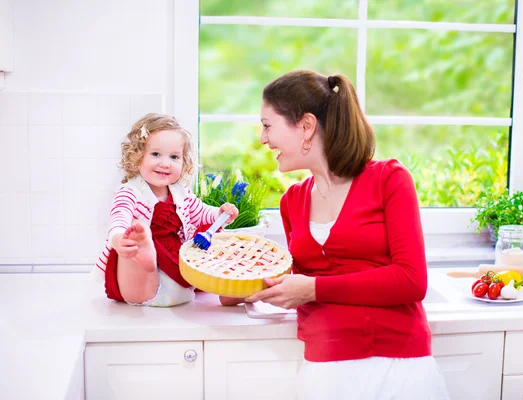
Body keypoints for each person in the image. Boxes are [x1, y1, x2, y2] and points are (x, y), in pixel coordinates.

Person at [244, 71, 450, 399]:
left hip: (399, 366)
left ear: (306, 126)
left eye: (268, 125)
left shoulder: (389, 179)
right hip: (327, 372)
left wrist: (313, 288)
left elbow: (411, 281)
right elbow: (294, 288)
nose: (262, 139)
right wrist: (231, 284)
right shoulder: (291, 202)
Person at [94, 113, 238, 307]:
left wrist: (218, 215)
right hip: (141, 278)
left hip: (174, 266)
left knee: (205, 251)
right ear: (137, 156)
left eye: (174, 157)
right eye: (155, 154)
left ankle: (231, 287)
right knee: (133, 251)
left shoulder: (180, 192)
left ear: (183, 161)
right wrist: (119, 238)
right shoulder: (130, 192)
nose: (165, 163)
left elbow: (200, 211)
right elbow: (119, 217)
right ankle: (145, 253)